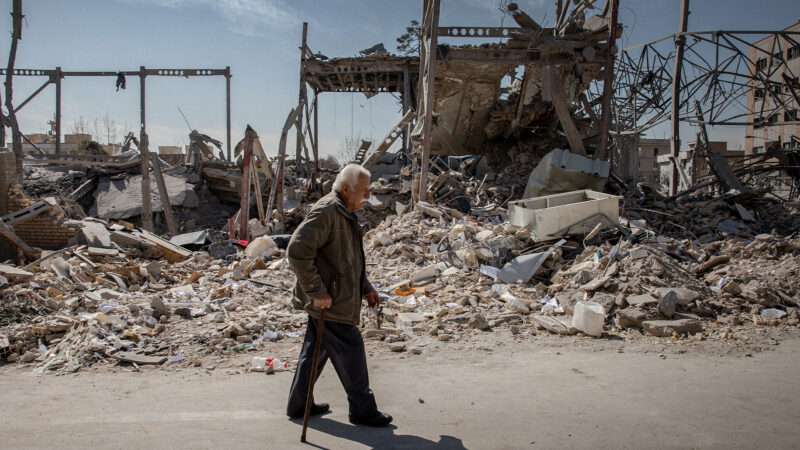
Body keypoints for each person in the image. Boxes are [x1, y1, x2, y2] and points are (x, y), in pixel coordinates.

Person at [285, 164, 393, 427]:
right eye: (363, 191)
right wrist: (317, 291)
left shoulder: (345, 212)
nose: (367, 197)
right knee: (352, 352)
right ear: (346, 189)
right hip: (331, 302)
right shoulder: (327, 211)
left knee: (314, 353)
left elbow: (347, 260)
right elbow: (297, 251)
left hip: (334, 298)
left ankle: (299, 404)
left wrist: (366, 287)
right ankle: (362, 410)